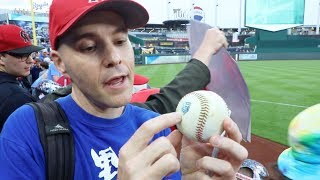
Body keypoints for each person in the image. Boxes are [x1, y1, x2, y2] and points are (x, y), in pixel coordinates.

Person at [0, 0, 247, 179]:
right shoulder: (28, 129)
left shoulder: (153, 126)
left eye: (120, 41)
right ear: (59, 62)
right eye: (89, 47)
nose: (114, 58)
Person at [0, 24, 43, 129]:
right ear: (1, 58)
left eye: (30, 54)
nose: (31, 60)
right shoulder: (16, 97)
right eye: (22, 55)